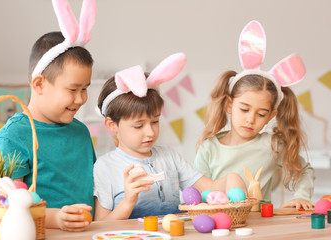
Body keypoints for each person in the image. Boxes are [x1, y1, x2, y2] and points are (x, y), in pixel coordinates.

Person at [93, 53, 247, 221]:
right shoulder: (105, 167)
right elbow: (101, 224)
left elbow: (209, 189)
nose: (150, 132)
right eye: (138, 126)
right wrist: (128, 201)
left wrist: (231, 179)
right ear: (112, 125)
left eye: (155, 121)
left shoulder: (169, 156)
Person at [0, 0, 97, 231]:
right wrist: (55, 218)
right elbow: (5, 206)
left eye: (85, 88)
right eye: (72, 89)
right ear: (39, 84)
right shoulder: (13, 138)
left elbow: (95, 191)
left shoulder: (81, 131)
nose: (81, 99)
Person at [194, 21, 315, 210]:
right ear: (229, 104)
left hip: (260, 227)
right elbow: (195, 192)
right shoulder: (209, 148)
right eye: (244, 109)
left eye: (261, 114)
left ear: (271, 116)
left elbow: (304, 170)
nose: (251, 119)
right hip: (220, 226)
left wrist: (301, 196)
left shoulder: (272, 145)